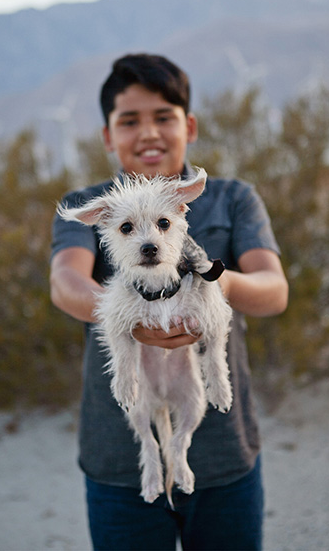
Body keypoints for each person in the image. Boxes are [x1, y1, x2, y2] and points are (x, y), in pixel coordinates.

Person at [50, 53, 288, 550]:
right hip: (117, 457)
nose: (149, 133)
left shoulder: (232, 198)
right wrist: (128, 313)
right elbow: (65, 282)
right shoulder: (96, 206)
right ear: (108, 136)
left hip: (225, 452)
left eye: (164, 117)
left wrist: (211, 285)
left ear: (190, 125)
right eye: (130, 120)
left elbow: (274, 290)